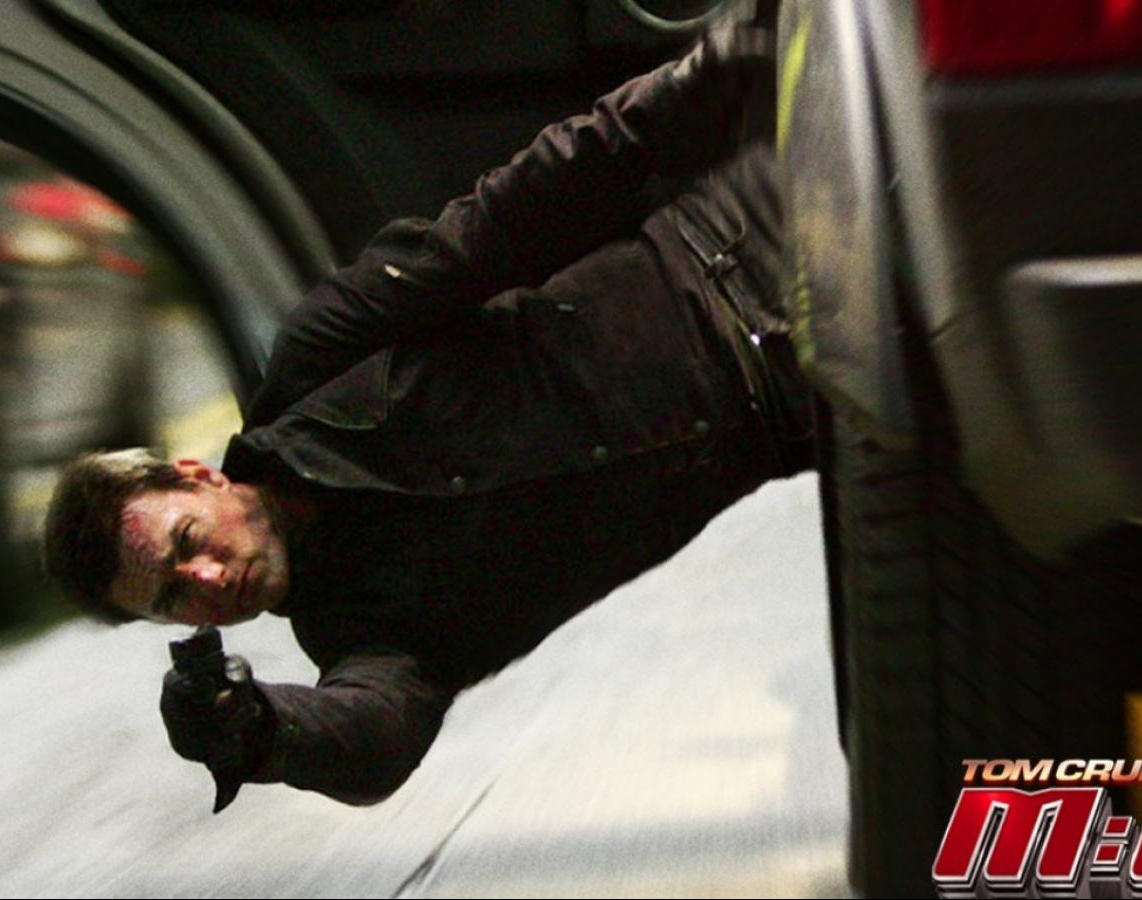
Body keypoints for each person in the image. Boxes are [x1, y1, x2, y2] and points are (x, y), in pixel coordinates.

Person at [42, 7, 812, 807]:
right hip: (796, 417)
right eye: (174, 597)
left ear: (198, 477)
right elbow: (377, 741)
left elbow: (505, 220)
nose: (207, 579)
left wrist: (709, 77)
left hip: (744, 239)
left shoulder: (317, 361)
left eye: (187, 543)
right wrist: (264, 734)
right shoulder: (361, 637)